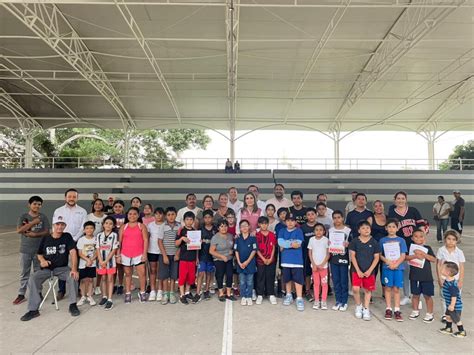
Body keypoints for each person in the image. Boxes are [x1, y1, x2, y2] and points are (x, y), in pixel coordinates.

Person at [20, 216, 80, 321]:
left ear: (65, 226)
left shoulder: (67, 236)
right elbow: (39, 254)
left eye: (62, 225)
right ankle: (33, 310)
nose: (60, 227)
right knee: (32, 279)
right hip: (47, 269)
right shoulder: (46, 238)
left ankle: (73, 304)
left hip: (62, 268)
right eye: (57, 224)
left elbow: (73, 252)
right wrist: (42, 261)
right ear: (53, 225)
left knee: (73, 276)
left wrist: (74, 269)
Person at [388, 191, 425, 305]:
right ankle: (406, 295)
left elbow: (422, 226)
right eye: (398, 198)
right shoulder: (391, 212)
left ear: (406, 199)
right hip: (401, 246)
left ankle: (418, 297)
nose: (400, 200)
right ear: (395, 200)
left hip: (415, 245)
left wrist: (422, 242)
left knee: (418, 271)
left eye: (403, 198)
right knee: (405, 272)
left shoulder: (413, 210)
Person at [13, 196, 50, 305]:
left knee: (38, 272)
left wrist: (35, 234)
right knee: (25, 272)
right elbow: (20, 230)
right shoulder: (23, 217)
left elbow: (47, 232)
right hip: (25, 249)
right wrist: (33, 222)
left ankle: (38, 292)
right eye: (34, 204)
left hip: (39, 251)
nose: (37, 206)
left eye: (39, 204)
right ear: (29, 204)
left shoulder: (43, 217)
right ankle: (21, 294)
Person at [53, 188, 87, 300]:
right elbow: (56, 226)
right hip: (61, 241)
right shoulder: (58, 211)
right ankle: (61, 290)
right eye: (69, 196)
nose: (71, 198)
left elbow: (83, 227)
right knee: (61, 265)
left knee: (75, 265)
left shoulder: (82, 211)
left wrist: (74, 239)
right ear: (65, 198)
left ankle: (76, 288)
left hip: (76, 241)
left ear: (77, 198)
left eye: (74, 196)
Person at [349, 220, 381, 321]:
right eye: (363, 228)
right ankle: (358, 306)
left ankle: (366, 308)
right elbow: (352, 256)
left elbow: (376, 257)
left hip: (369, 271)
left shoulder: (374, 242)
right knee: (355, 289)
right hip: (356, 270)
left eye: (367, 228)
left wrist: (370, 270)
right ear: (359, 230)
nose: (366, 230)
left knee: (368, 290)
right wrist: (358, 270)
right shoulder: (354, 241)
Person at [117, 207, 148, 304]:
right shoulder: (123, 227)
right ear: (127, 215)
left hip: (139, 254)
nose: (132, 216)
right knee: (128, 274)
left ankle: (142, 292)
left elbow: (146, 240)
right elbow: (119, 242)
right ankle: (128, 293)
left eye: (135, 214)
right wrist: (118, 255)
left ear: (138, 215)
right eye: (130, 214)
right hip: (125, 254)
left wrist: (144, 253)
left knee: (142, 274)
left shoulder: (141, 226)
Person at [379, 219, 407, 321]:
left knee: (396, 289)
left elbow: (403, 255)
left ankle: (397, 309)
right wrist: (388, 262)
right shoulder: (382, 240)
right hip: (387, 267)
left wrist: (396, 264)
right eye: (389, 227)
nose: (391, 229)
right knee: (387, 288)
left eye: (394, 227)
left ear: (397, 228)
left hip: (398, 268)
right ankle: (388, 308)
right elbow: (380, 255)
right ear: (386, 228)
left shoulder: (401, 240)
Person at [406, 229, 435, 323]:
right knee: (415, 295)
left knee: (427, 295)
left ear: (424, 238)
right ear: (412, 238)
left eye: (421, 236)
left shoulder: (428, 248)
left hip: (426, 277)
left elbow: (433, 259)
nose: (419, 238)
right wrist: (415, 256)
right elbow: (405, 258)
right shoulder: (411, 248)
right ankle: (415, 311)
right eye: (416, 236)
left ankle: (430, 313)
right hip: (414, 276)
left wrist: (423, 254)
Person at [436, 230, 465, 321]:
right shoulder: (441, 250)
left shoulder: (459, 252)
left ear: (457, 241)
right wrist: (439, 278)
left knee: (456, 297)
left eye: (453, 239)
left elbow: (461, 267)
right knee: (444, 297)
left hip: (455, 279)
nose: (451, 241)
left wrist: (460, 280)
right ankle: (445, 314)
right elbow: (438, 265)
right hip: (444, 278)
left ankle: (455, 313)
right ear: (445, 239)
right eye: (448, 239)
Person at [278, 213, 305, 311]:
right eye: (288, 220)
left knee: (298, 280)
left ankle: (299, 298)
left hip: (297, 260)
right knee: (287, 279)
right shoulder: (282, 231)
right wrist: (290, 244)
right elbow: (280, 242)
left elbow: (298, 244)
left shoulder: (299, 231)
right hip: (285, 260)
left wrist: (285, 245)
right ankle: (288, 295)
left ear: (295, 222)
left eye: (292, 220)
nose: (290, 222)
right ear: (285, 222)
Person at [328, 210, 351, 311]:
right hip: (333, 258)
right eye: (335, 218)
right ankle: (338, 301)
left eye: (339, 217)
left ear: (342, 218)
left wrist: (348, 244)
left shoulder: (348, 230)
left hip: (344, 258)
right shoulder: (330, 230)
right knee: (336, 280)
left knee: (343, 281)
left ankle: (344, 301)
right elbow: (328, 243)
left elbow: (352, 243)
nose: (337, 219)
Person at [176, 211, 200, 304]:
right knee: (182, 277)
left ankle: (187, 292)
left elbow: (197, 247)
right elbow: (176, 243)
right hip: (183, 258)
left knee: (191, 277)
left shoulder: (195, 231)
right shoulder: (181, 230)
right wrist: (182, 238)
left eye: (191, 219)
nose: (189, 221)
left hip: (193, 258)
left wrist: (197, 257)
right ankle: (182, 295)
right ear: (184, 220)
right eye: (187, 219)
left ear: (193, 221)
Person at [158, 207, 180, 305]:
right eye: (169, 215)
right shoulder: (163, 226)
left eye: (173, 214)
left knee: (173, 275)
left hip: (175, 255)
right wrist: (164, 255)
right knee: (164, 275)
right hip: (164, 255)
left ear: (176, 215)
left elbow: (181, 243)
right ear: (166, 216)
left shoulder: (179, 226)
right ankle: (165, 293)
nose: (171, 217)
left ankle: (172, 293)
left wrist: (177, 253)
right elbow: (159, 241)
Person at [96, 216, 119, 310]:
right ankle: (104, 296)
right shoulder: (99, 235)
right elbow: (97, 248)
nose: (108, 225)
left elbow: (114, 249)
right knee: (103, 278)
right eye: (106, 223)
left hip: (110, 261)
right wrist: (101, 260)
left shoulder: (114, 235)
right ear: (103, 224)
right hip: (100, 261)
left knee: (110, 279)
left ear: (113, 226)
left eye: (110, 224)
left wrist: (106, 261)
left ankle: (110, 299)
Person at [438, 262, 466, 338]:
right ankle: (448, 328)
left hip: (454, 306)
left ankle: (462, 331)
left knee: (456, 319)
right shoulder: (447, 281)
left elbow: (454, 296)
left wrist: (452, 305)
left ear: (448, 272)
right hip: (449, 304)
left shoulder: (452, 285)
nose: (441, 269)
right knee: (448, 316)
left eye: (443, 268)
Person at [210, 219, 235, 302]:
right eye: (221, 226)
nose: (224, 228)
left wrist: (232, 251)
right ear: (218, 228)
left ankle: (228, 293)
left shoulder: (230, 236)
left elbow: (233, 247)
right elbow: (211, 251)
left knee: (230, 275)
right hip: (219, 259)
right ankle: (221, 293)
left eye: (225, 226)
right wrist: (221, 256)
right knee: (219, 275)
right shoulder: (215, 237)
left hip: (229, 259)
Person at [235, 220, 258, 306]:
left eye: (246, 225)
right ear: (240, 228)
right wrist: (239, 262)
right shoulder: (237, 239)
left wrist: (247, 262)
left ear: (249, 227)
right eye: (242, 226)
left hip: (250, 264)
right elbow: (236, 251)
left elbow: (254, 250)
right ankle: (243, 297)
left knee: (249, 281)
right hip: (240, 264)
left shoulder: (253, 238)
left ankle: (249, 296)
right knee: (242, 281)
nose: (244, 227)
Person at [255, 216, 277, 305]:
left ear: (268, 224)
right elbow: (256, 249)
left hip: (271, 260)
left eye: (265, 223)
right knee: (260, 276)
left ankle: (270, 294)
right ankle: (260, 294)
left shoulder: (272, 234)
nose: (264, 225)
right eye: (262, 224)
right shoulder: (257, 235)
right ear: (259, 224)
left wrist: (271, 258)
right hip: (261, 260)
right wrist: (263, 258)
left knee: (270, 276)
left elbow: (273, 247)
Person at [308, 223, 330, 310]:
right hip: (314, 267)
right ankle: (316, 300)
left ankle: (323, 300)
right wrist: (314, 264)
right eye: (316, 230)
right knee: (316, 284)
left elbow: (328, 254)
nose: (318, 231)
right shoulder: (311, 240)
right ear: (314, 231)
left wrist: (322, 264)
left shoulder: (326, 240)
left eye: (321, 230)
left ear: (324, 231)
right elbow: (310, 253)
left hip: (323, 267)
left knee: (324, 284)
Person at [76, 221, 98, 307]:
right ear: (84, 230)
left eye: (91, 228)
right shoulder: (81, 240)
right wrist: (87, 260)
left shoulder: (96, 239)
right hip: (83, 263)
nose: (89, 230)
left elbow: (97, 252)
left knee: (90, 279)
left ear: (94, 229)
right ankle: (83, 296)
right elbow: (80, 253)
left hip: (92, 263)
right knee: (83, 280)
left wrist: (91, 260)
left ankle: (89, 295)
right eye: (87, 228)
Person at [197, 210, 217, 300]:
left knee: (209, 273)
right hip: (202, 255)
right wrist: (196, 257)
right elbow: (196, 245)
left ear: (212, 218)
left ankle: (206, 290)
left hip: (211, 256)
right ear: (203, 219)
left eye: (209, 217)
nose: (207, 219)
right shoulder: (200, 229)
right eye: (206, 217)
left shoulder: (216, 229)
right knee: (201, 273)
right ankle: (198, 292)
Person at [147, 207, 165, 301]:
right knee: (153, 271)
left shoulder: (166, 225)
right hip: (152, 251)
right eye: (156, 214)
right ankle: (153, 290)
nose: (158, 216)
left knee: (160, 272)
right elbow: (147, 238)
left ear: (163, 215)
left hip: (162, 252)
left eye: (160, 213)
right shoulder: (150, 225)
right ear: (154, 215)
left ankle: (160, 290)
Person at [301, 207, 317, 301]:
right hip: (306, 253)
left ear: (316, 215)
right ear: (306, 216)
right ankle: (307, 290)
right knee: (307, 273)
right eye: (308, 214)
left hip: (318, 254)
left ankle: (317, 290)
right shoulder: (303, 227)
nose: (310, 216)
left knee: (317, 272)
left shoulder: (320, 226)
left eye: (312, 214)